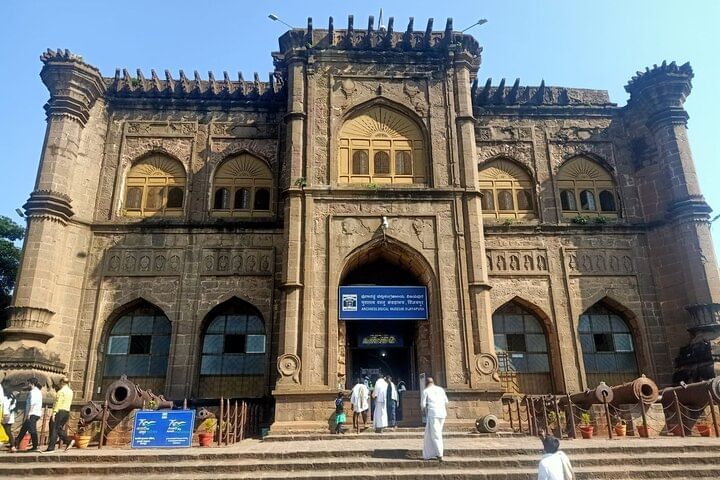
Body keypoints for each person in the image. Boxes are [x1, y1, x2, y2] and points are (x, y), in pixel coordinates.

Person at [420, 376, 448, 461]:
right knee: (436, 433)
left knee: (436, 434)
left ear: (426, 383)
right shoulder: (440, 389)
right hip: (442, 414)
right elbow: (446, 401)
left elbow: (423, 405)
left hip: (433, 414)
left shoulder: (426, 391)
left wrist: (424, 411)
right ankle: (432, 452)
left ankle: (439, 454)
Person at [44, 376, 74, 452]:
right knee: (58, 429)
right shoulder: (70, 392)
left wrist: (54, 412)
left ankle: (51, 448)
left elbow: (58, 402)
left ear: (62, 383)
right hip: (66, 412)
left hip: (59, 411)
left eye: (60, 383)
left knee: (54, 429)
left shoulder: (61, 392)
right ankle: (68, 441)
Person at [15, 377, 42, 452]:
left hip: (32, 413)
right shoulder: (38, 391)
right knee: (24, 429)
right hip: (36, 412)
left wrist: (28, 414)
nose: (28, 384)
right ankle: (15, 443)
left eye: (29, 383)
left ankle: (35, 446)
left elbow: (32, 403)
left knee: (32, 430)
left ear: (32, 384)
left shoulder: (32, 392)